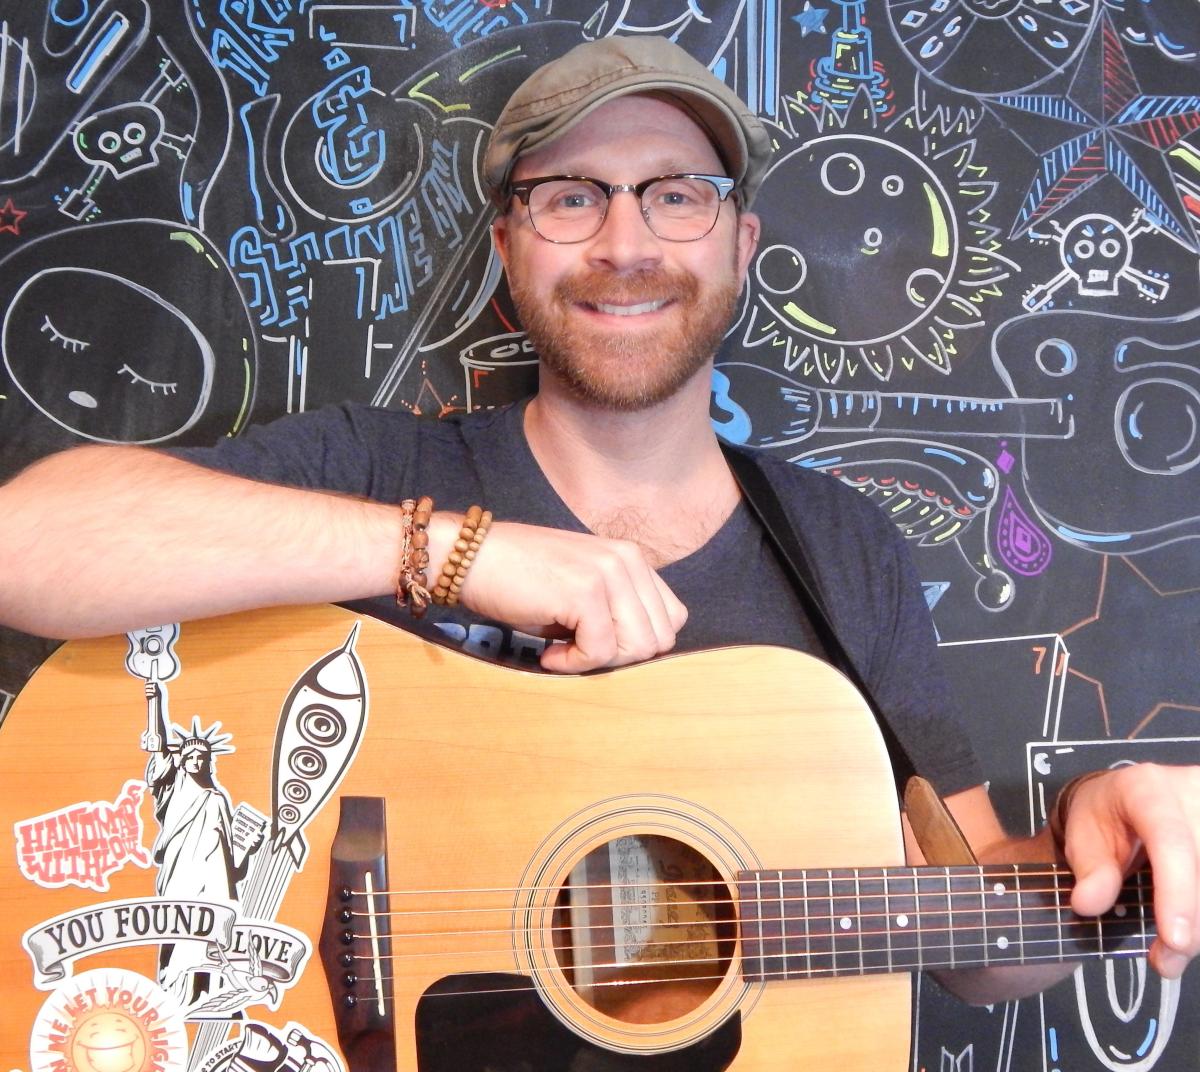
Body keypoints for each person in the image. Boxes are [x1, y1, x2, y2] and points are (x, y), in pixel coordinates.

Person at [1, 35, 1198, 1010]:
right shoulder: (374, 463)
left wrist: (1098, 861)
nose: (626, 245)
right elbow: (29, 546)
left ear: (740, 246)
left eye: (677, 197)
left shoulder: (846, 552)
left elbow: (975, 943)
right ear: (509, 247)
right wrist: (452, 551)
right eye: (572, 197)